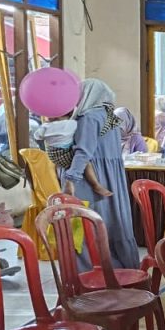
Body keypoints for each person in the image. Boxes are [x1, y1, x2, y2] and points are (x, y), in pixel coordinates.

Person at [60, 79, 139, 269]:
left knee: (87, 225)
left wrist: (71, 178)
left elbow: (84, 152)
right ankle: (123, 269)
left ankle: (92, 271)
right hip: (112, 177)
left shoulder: (88, 118)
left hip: (90, 179)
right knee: (113, 222)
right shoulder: (110, 117)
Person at [35, 114, 112, 198]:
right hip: (65, 153)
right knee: (85, 162)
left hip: (52, 155)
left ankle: (65, 185)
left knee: (66, 166)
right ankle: (95, 185)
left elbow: (37, 136)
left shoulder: (45, 127)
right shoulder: (72, 123)